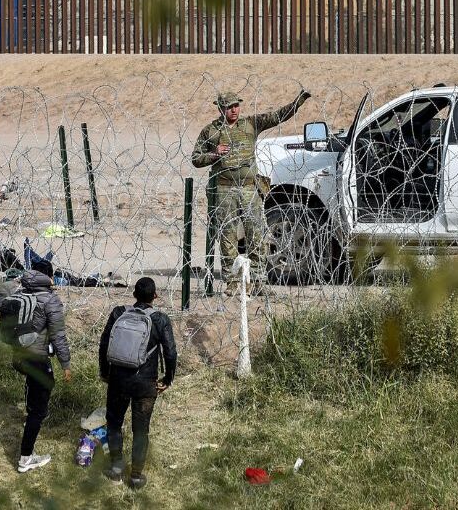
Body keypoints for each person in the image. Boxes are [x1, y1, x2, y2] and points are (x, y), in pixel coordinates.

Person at [191, 89, 312, 296]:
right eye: (230, 107)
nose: (234, 110)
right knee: (228, 236)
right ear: (221, 109)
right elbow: (195, 158)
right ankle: (232, 281)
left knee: (256, 234)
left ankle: (258, 281)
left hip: (249, 189)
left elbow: (277, 117)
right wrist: (214, 154)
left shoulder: (250, 124)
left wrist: (298, 102)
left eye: (236, 105)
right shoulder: (210, 131)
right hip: (224, 190)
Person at [99, 277, 177, 489]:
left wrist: (105, 373)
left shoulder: (118, 313)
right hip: (145, 385)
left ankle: (116, 468)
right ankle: (135, 476)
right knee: (141, 430)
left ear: (134, 294)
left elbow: (104, 344)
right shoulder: (160, 319)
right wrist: (167, 379)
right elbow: (170, 353)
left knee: (114, 423)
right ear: (155, 296)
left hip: (118, 380)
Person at [8, 269, 73, 474]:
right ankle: (26, 458)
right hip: (37, 359)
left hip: (19, 356)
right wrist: (66, 364)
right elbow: (58, 335)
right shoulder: (49, 300)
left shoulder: (20, 295)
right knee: (39, 410)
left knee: (35, 392)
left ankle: (31, 411)